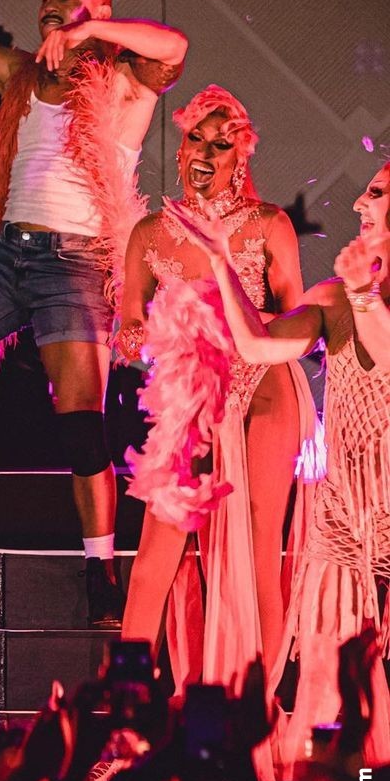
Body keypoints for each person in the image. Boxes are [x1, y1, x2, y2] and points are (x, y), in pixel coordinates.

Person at [0, 0, 189, 625]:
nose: (51, 3)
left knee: (80, 427)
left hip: (75, 263)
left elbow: (174, 46)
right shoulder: (20, 72)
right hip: (9, 253)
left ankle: (100, 570)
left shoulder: (127, 78)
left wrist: (93, 31)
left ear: (99, 12)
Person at [168, 161, 390, 772]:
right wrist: (220, 260)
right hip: (343, 522)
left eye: (377, 192)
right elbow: (257, 345)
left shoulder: (358, 298)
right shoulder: (334, 298)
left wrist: (366, 295)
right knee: (326, 687)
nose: (358, 204)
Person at [117, 87, 312, 697]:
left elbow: (297, 321)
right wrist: (155, 334)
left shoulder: (269, 224)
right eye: (195, 139)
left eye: (220, 144)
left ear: (240, 156)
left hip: (262, 387)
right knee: (154, 557)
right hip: (188, 395)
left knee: (257, 550)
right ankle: (125, 710)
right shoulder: (151, 233)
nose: (204, 153)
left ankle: (257, 703)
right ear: (180, 150)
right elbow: (127, 327)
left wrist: (231, 326)